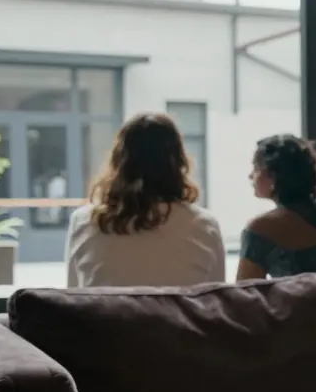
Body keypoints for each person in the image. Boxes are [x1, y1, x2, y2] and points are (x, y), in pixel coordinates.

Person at [66, 113, 224, 287]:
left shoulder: (83, 222)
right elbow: (214, 304)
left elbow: (74, 299)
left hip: (108, 315)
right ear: (179, 162)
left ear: (119, 162)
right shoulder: (205, 227)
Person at [236, 134, 316, 280]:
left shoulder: (260, 228)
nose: (251, 176)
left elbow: (244, 295)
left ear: (274, 176)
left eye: (256, 168)